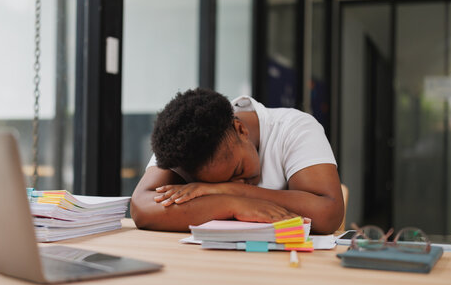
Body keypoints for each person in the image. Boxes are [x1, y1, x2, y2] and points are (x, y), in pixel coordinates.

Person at [130, 88, 344, 234]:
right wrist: (233, 205)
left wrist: (229, 192)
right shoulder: (181, 144)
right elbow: (141, 207)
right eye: (213, 183)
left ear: (241, 129)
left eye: (238, 170)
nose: (238, 183)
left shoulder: (294, 128)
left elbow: (328, 213)